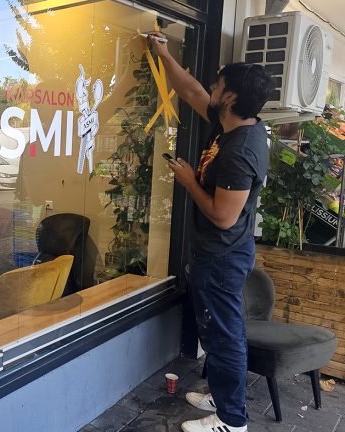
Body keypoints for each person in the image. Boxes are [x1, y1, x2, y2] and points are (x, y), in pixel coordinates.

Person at [149, 33, 274, 432]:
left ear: (231, 98)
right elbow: (190, 90)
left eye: (219, 85)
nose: (212, 88)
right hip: (216, 253)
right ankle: (222, 396)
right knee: (218, 331)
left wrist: (189, 181)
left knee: (224, 336)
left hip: (222, 256)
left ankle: (231, 420)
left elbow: (223, 216)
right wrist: (164, 54)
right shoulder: (229, 123)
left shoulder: (242, 149)